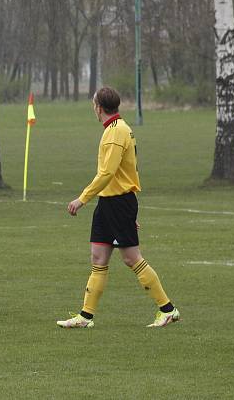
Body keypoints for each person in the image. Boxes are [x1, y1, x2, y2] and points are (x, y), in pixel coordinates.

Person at [56, 87, 180, 329]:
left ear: (98, 107)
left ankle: (168, 310)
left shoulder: (115, 132)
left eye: (94, 104)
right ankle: (85, 316)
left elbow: (108, 173)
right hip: (110, 203)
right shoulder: (118, 129)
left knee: (131, 258)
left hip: (117, 202)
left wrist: (82, 199)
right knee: (98, 257)